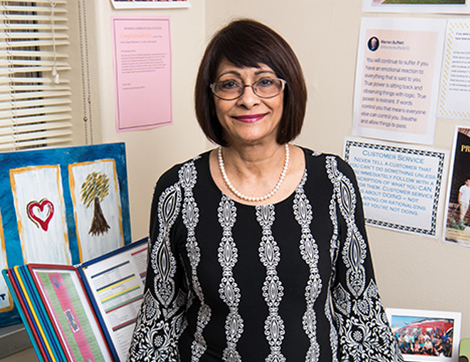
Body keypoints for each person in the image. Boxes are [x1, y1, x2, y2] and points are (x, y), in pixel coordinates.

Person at [127, 18, 403, 362]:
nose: (248, 99)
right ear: (210, 96)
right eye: (230, 84)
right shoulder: (177, 190)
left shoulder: (333, 180)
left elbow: (358, 306)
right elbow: (160, 316)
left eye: (265, 82)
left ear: (287, 91)